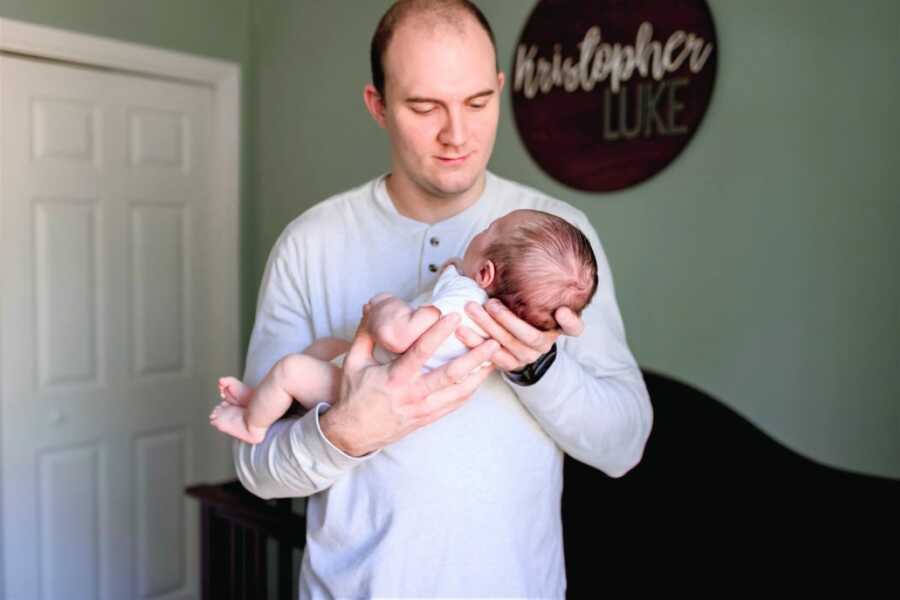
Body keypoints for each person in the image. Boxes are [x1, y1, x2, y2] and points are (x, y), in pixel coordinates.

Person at [233, 1, 653, 597]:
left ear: (500, 90)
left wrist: (539, 368)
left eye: (478, 103)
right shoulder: (309, 243)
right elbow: (255, 468)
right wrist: (344, 434)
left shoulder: (562, 238)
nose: (457, 133)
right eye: (425, 107)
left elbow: (624, 445)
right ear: (378, 106)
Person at [211, 209, 599, 445]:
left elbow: (399, 334)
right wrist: (452, 271)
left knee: (289, 370)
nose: (480, 232)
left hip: (365, 388)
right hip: (374, 378)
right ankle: (264, 400)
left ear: (485, 272)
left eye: (490, 230)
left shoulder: (461, 305)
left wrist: (383, 307)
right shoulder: (496, 316)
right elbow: (456, 283)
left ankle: (252, 423)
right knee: (325, 348)